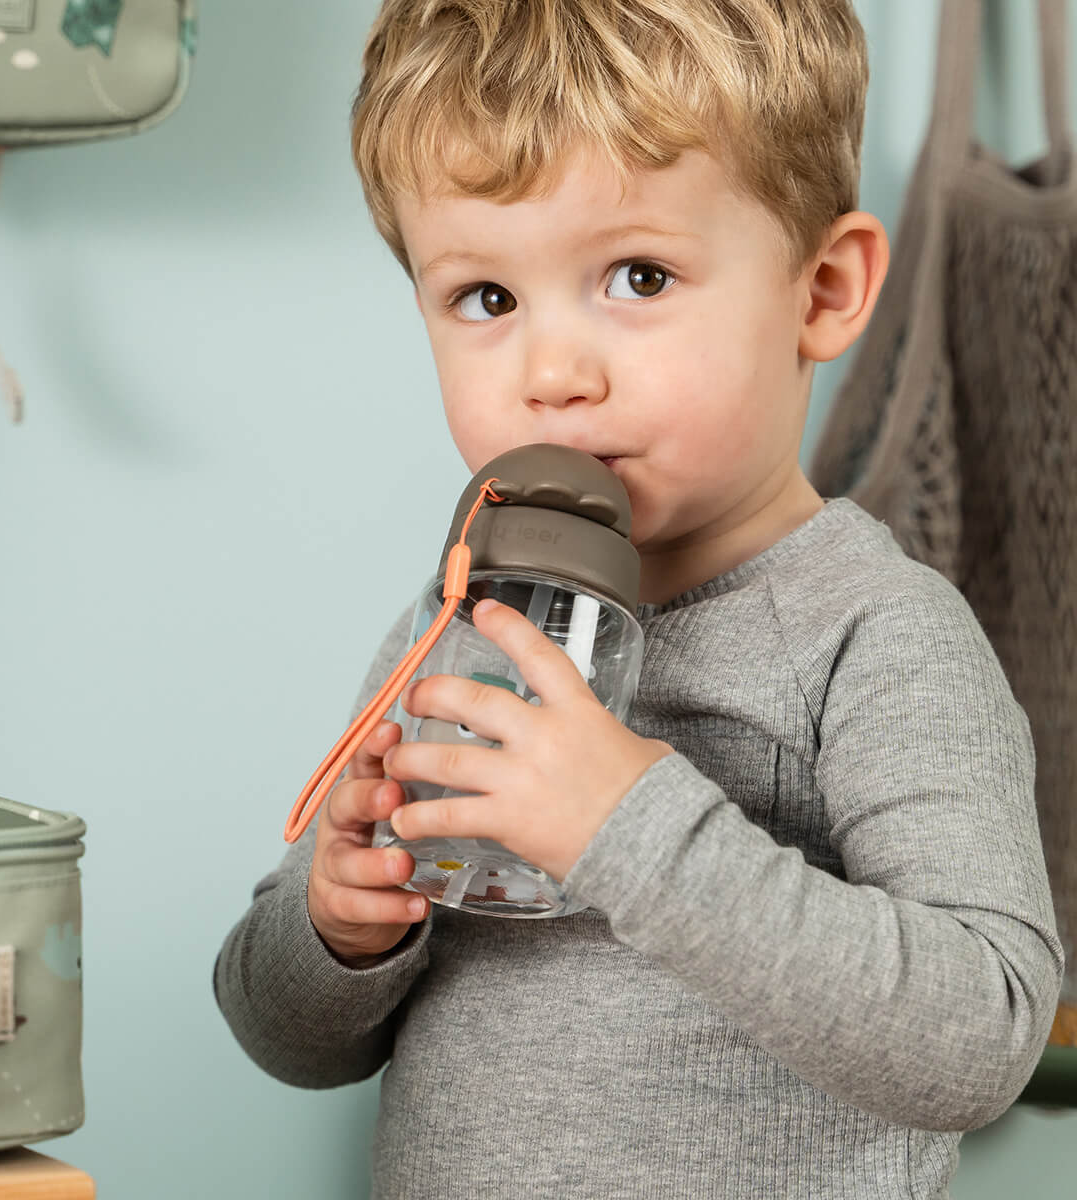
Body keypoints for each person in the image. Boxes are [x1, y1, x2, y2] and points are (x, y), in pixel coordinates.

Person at [215, 1, 1064, 1195]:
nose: (552, 375)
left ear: (822, 290)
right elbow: (282, 1032)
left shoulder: (875, 634)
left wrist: (631, 828)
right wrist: (339, 927)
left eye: (638, 275)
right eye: (487, 300)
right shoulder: (461, 621)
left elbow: (986, 1034)